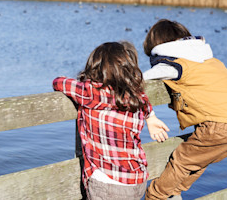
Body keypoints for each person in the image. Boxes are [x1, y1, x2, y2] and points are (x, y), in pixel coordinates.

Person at [142, 19, 227, 200]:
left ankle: (156, 196)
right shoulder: (208, 59)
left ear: (157, 46)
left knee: (182, 161)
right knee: (199, 160)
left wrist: (150, 116)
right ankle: (174, 194)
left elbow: (142, 80)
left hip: (221, 125)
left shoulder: (173, 64)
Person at [52, 41, 170, 200]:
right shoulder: (134, 95)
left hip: (108, 183)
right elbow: (144, 100)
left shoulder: (90, 92)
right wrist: (151, 117)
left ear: (94, 67)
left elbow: (59, 82)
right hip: (137, 179)